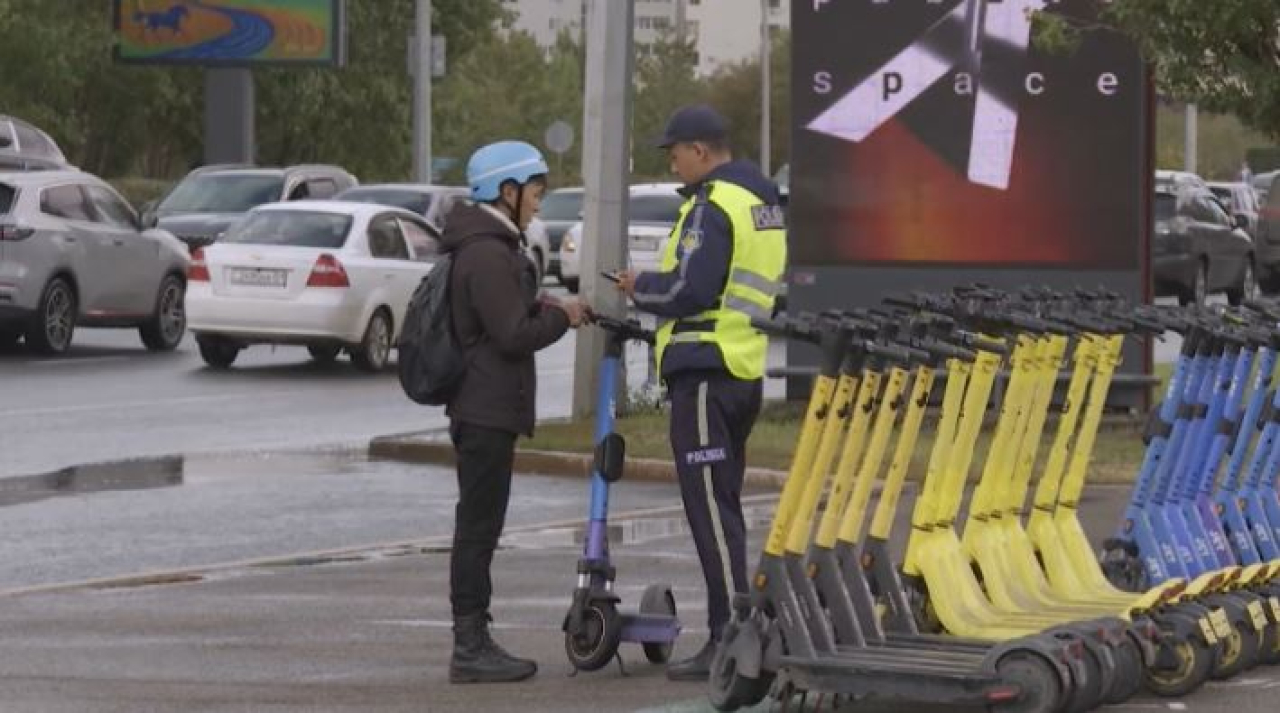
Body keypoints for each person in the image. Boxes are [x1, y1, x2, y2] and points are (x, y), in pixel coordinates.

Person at [614, 105, 788, 681]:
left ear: (702, 151)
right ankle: (735, 631)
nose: (673, 162)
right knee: (725, 507)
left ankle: (731, 640)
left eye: (675, 152)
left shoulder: (713, 205)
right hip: (740, 370)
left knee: (712, 512)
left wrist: (642, 288)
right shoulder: (763, 204)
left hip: (705, 374)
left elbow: (692, 289)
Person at [441, 140, 592, 684]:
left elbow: (508, 313)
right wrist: (564, 317)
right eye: (535, 192)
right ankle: (470, 645)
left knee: (480, 525)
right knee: (478, 529)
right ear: (506, 192)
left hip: (487, 407)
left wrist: (548, 307)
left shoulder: (493, 245)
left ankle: (474, 638)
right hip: (484, 410)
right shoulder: (486, 251)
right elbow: (512, 333)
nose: (539, 204)